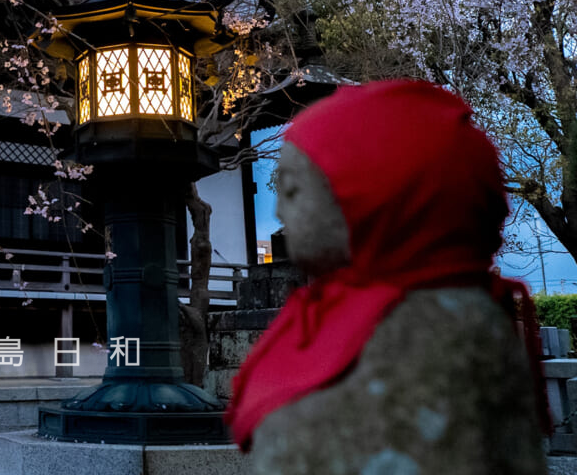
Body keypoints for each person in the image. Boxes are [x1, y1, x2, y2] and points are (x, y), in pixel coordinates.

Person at [228, 80, 548, 474]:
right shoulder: (325, 311)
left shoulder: (436, 327)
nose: (278, 211)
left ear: (371, 190)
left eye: (293, 190)